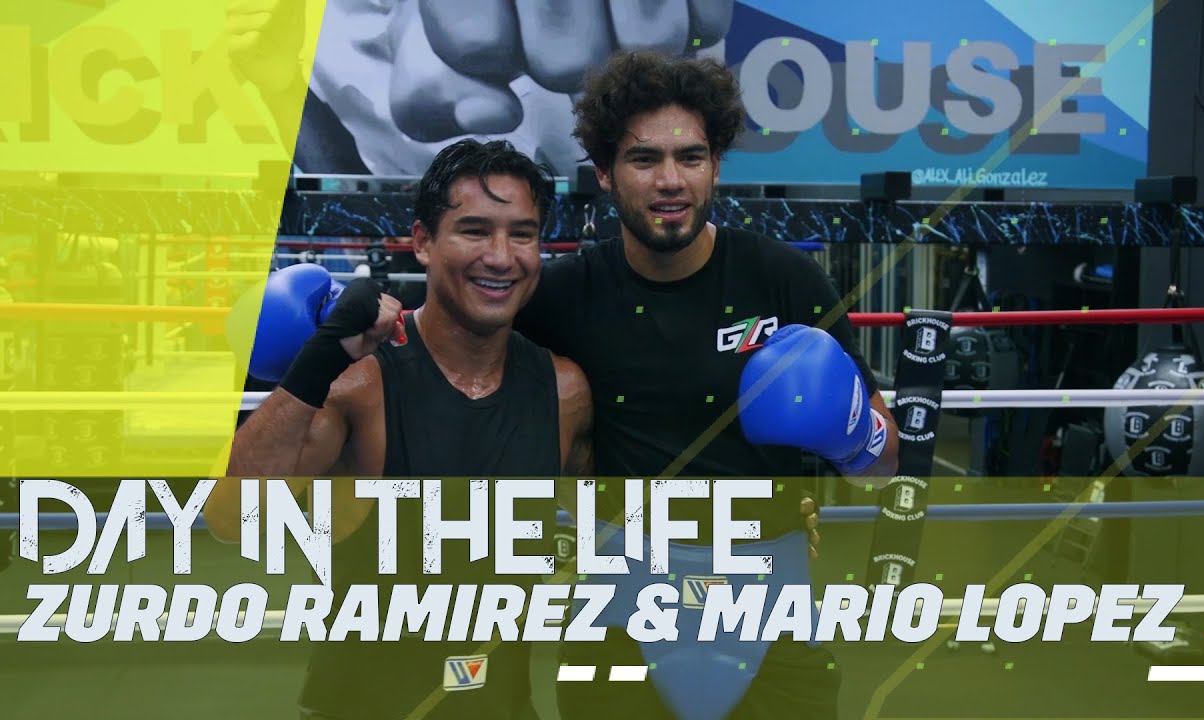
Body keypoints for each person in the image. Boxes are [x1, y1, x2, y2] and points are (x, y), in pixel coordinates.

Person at [512, 51, 900, 720]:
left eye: (690, 157)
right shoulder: (562, 296)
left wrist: (849, 428)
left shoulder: (784, 282)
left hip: (768, 588)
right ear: (604, 173)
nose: (670, 181)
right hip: (623, 598)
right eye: (643, 160)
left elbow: (884, 466)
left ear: (716, 165)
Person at [206, 139, 594, 720]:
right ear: (422, 243)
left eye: (521, 233)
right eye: (474, 230)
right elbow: (232, 520)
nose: (500, 255)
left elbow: (630, 517)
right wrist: (317, 363)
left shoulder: (564, 392)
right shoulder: (359, 384)